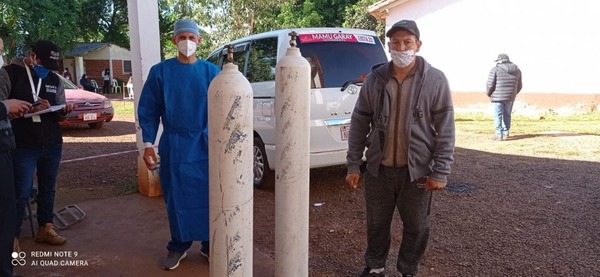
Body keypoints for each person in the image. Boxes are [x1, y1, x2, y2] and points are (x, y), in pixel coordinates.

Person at [345, 20, 455, 277]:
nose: (401, 47)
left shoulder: (435, 79)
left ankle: (408, 269)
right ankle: (375, 267)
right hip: (378, 170)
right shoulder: (375, 79)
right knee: (377, 224)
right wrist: (353, 164)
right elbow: (359, 122)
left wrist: (441, 171)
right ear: (389, 45)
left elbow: (446, 128)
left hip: (416, 172)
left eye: (407, 42)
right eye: (395, 42)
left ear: (418, 45)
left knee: (417, 226)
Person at [137, 19, 220, 270]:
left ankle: (209, 244)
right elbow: (149, 110)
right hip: (174, 144)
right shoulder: (160, 72)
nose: (187, 42)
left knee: (209, 196)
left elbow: (227, 109)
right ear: (174, 40)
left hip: (206, 144)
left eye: (191, 38)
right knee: (177, 198)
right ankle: (178, 245)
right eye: (182, 37)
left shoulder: (212, 72)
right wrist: (148, 144)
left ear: (199, 41)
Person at [3, 40, 74, 252]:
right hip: (22, 143)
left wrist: (63, 110)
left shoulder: (53, 78)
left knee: (48, 188)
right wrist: (29, 108)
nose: (48, 70)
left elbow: (60, 109)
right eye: (45, 63)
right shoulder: (9, 73)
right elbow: (0, 108)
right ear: (33, 56)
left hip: (51, 141)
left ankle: (46, 227)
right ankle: (11, 236)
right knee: (20, 191)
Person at [0, 36, 33, 277]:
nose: (1, 56)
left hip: (4, 149)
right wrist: (4, 107)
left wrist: (9, 112)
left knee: (6, 217)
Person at [486, 53, 523, 141]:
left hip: (497, 97)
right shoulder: (517, 70)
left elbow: (490, 84)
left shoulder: (495, 70)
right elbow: (520, 85)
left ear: (499, 61)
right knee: (507, 115)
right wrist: (513, 94)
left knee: (498, 115)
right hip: (510, 97)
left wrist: (489, 94)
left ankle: (499, 134)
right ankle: (506, 133)